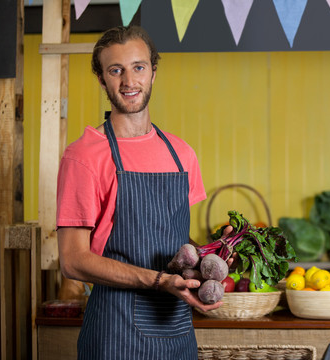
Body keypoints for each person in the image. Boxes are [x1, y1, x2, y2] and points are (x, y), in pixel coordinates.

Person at [56, 25, 229, 359]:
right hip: (114, 332)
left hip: (177, 328)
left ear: (153, 72)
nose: (129, 81)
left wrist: (213, 254)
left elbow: (176, 239)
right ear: (101, 79)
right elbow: (73, 260)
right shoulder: (84, 156)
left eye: (138, 67)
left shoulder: (182, 154)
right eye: (115, 70)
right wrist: (158, 280)